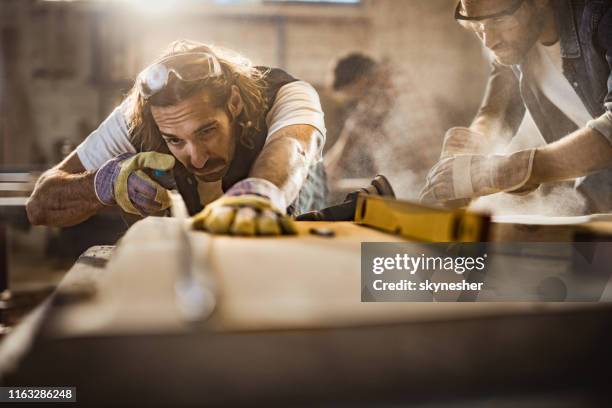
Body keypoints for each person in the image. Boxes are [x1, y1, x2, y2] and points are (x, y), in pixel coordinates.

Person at [26, 40, 327, 235]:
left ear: (234, 102)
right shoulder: (135, 117)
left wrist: (257, 196)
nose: (197, 158)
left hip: (309, 238)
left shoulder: (284, 94)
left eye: (207, 131)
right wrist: (103, 184)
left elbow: (293, 146)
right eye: (174, 140)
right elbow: (39, 205)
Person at [420, 0, 612, 213]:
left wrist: (512, 171)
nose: (488, 41)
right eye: (478, 26)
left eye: (499, 20)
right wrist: (470, 147)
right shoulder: (518, 42)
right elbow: (496, 111)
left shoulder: (601, 15)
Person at [326, 53, 442, 200]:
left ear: (360, 81)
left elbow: (345, 146)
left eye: (354, 96)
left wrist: (318, 176)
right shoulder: (400, 77)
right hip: (433, 178)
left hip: (418, 186)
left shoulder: (381, 92)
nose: (357, 102)